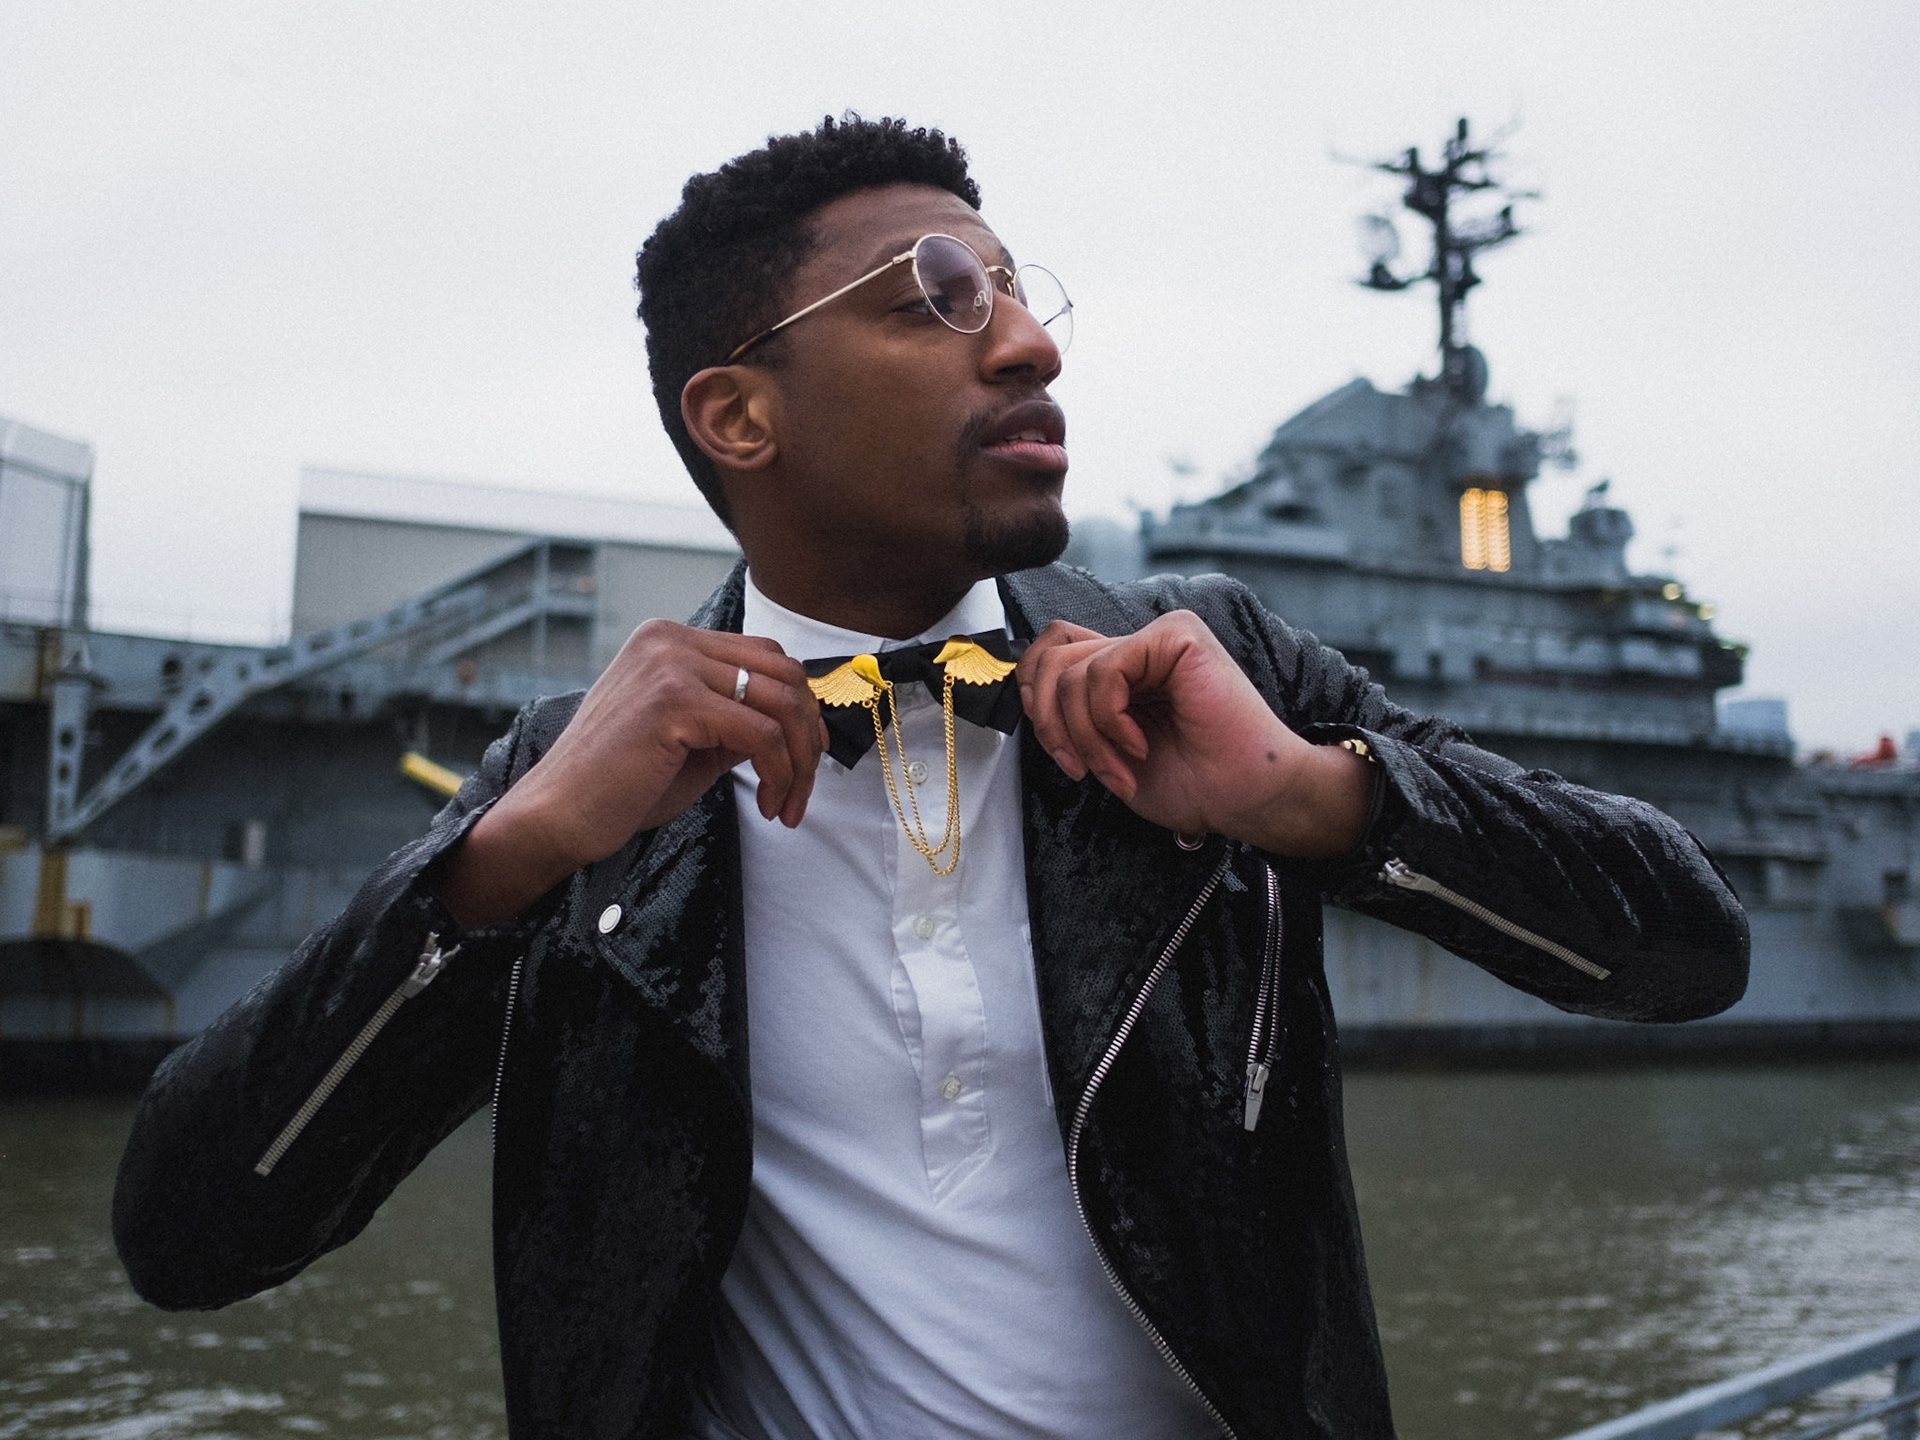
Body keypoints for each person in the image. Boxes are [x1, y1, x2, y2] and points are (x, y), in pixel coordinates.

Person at [113, 116, 1748, 1440]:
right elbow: (186, 1238)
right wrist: (509, 855)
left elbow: (1686, 948)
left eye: (1024, 296)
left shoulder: (1216, 663)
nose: (1028, 345)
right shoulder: (571, 790)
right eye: (937, 300)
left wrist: (1318, 799)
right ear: (737, 414)